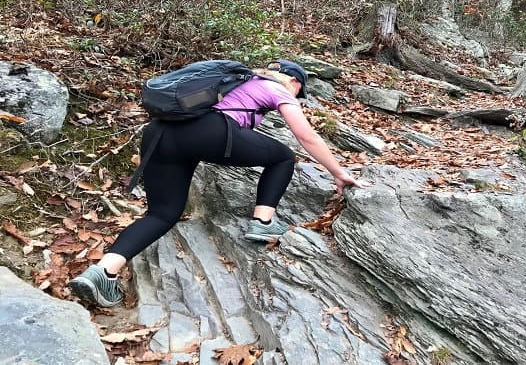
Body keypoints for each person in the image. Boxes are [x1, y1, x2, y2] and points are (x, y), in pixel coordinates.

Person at [68, 60, 370, 307]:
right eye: (299, 89)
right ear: (294, 80)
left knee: (162, 214)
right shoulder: (277, 88)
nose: (297, 94)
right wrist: (338, 172)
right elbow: (306, 136)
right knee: (283, 157)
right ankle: (263, 221)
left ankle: (102, 272)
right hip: (207, 132)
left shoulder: (236, 81)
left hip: (160, 133)